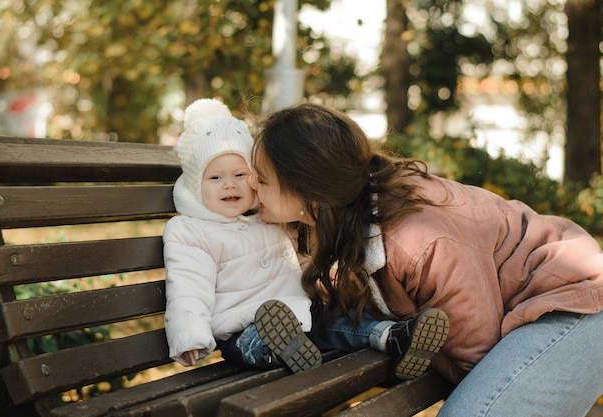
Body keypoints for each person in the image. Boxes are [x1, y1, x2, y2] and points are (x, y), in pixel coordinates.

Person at [249, 101, 603, 417]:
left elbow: (475, 353)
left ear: (307, 190)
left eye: (262, 180)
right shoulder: (335, 218)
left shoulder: (416, 238)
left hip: (572, 305)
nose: (251, 185)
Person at [163, 98, 449, 379]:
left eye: (241, 174)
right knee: (252, 343)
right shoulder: (190, 231)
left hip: (300, 313)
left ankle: (393, 336)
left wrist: (321, 276)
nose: (230, 184)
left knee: (337, 321)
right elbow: (188, 287)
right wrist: (190, 335)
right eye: (215, 178)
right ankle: (285, 350)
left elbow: (294, 260)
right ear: (195, 185)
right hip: (240, 324)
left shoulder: (266, 218)